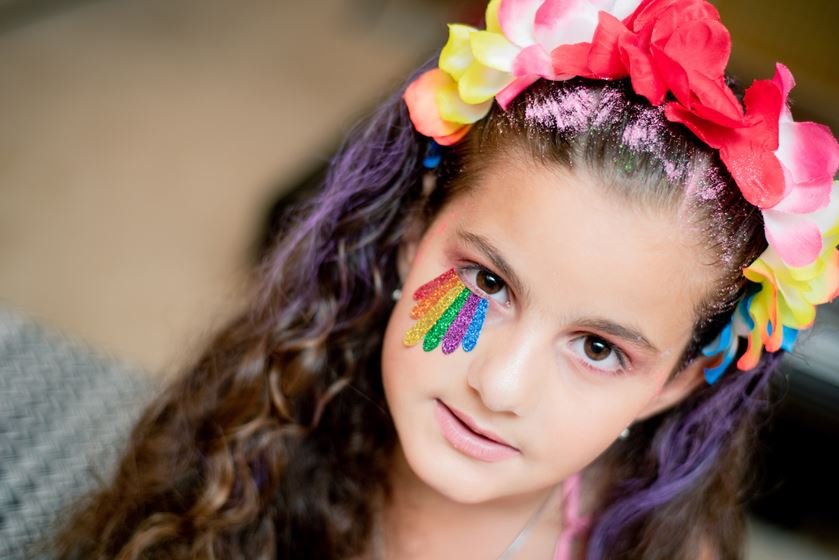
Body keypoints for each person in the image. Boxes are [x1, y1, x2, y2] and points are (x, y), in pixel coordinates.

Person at [55, 0, 839, 558]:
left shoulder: (658, 552)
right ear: (408, 237)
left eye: (598, 348)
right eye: (488, 284)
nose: (498, 385)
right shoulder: (254, 430)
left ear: (673, 383)